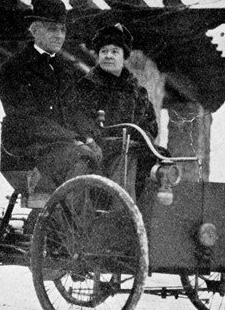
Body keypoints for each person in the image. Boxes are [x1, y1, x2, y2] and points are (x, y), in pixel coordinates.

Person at [0, 0, 102, 192]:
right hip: (30, 151)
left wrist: (89, 138)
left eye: (63, 30)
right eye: (52, 29)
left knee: (112, 154)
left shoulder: (65, 70)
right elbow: (27, 118)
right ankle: (73, 221)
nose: (59, 36)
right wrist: (74, 140)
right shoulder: (15, 68)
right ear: (35, 30)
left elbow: (74, 110)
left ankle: (96, 217)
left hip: (64, 147)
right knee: (80, 161)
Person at [65, 23, 164, 197]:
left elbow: (150, 125)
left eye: (114, 51)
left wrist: (140, 139)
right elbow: (78, 119)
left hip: (131, 147)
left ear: (124, 56)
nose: (108, 56)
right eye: (104, 51)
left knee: (162, 160)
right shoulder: (85, 87)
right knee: (126, 154)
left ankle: (151, 212)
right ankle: (123, 211)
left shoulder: (137, 91)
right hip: (99, 150)